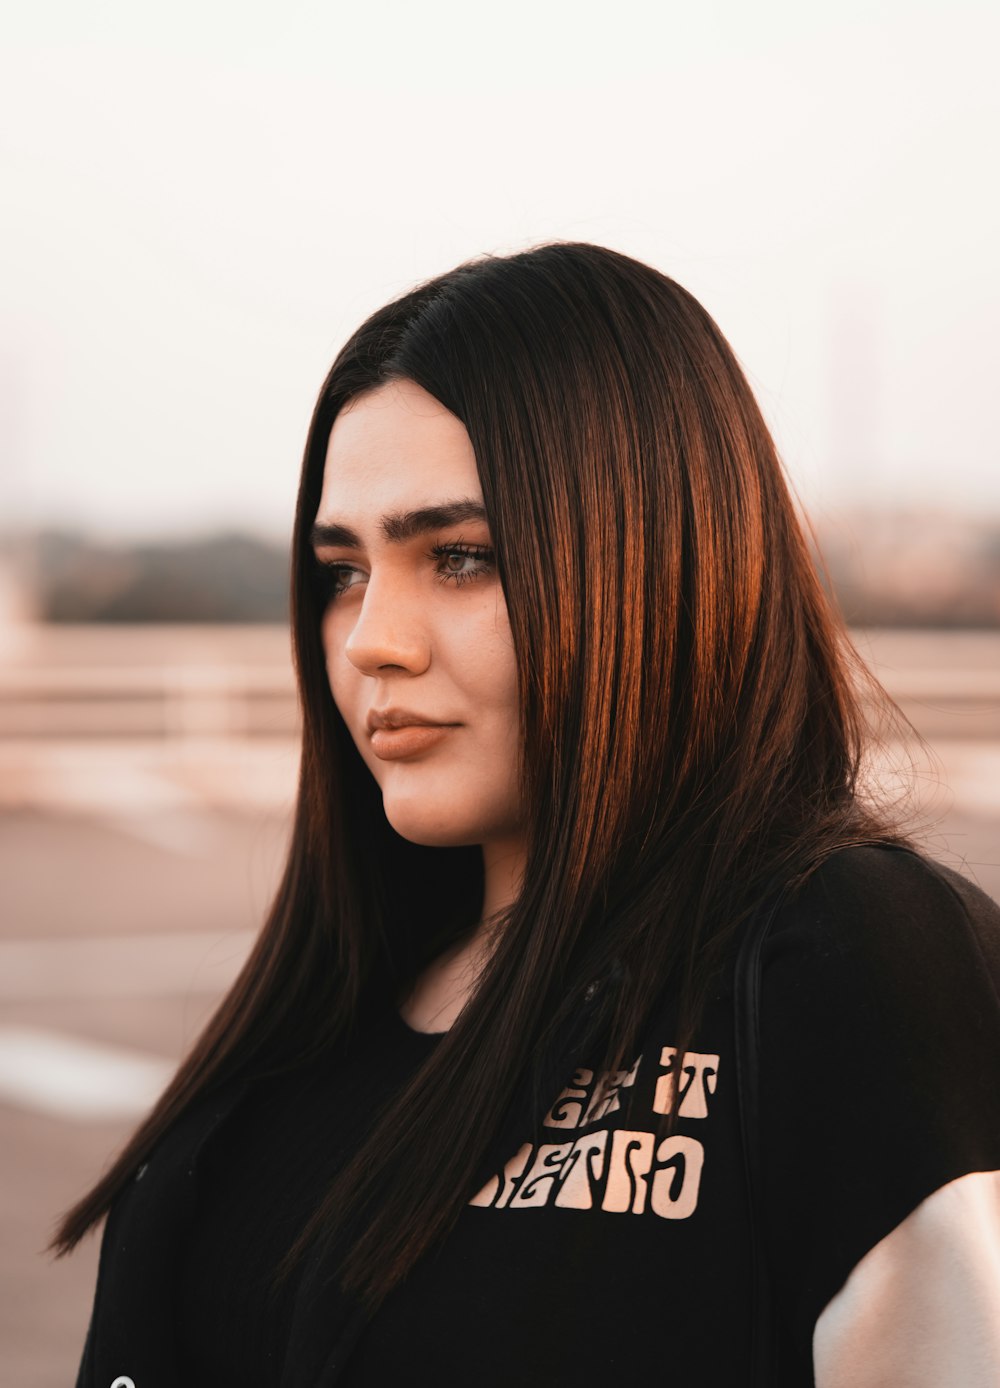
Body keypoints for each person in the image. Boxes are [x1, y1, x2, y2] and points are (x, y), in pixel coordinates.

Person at [58, 242, 1000, 1386]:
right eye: (342, 570)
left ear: (653, 563)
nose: (371, 640)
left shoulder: (848, 961)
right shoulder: (313, 1026)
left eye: (457, 557)